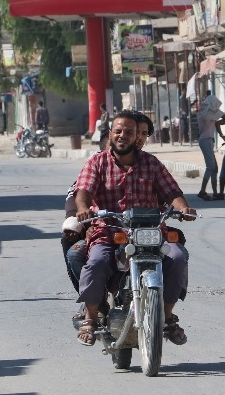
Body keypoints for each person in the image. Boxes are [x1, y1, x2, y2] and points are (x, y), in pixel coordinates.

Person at [73, 110, 195, 347]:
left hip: (150, 232)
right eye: (118, 131)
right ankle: (91, 316)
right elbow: (83, 193)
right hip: (110, 232)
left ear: (136, 136)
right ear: (110, 134)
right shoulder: (97, 162)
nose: (123, 136)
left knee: (178, 257)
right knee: (96, 262)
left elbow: (172, 192)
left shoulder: (151, 163)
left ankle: (167, 316)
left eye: (129, 132)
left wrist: (183, 208)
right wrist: (83, 209)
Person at [195, 92, 223, 201]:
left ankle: (215, 193)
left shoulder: (204, 112)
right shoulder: (208, 113)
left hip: (206, 140)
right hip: (206, 140)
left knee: (214, 168)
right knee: (210, 166)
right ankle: (202, 191)